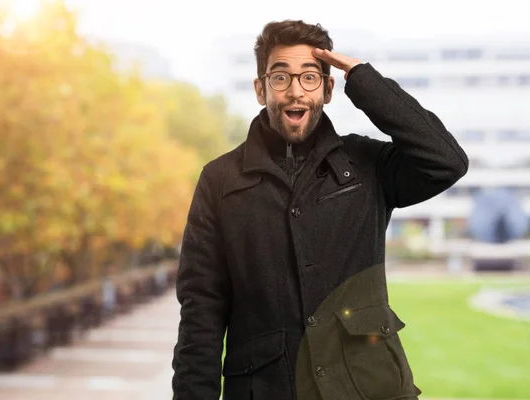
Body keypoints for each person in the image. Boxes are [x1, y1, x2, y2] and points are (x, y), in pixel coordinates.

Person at [171, 20, 468, 400]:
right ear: (261, 89)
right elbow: (201, 312)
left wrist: (361, 79)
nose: (295, 92)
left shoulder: (368, 165)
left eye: (309, 77)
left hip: (368, 387)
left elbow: (447, 161)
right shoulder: (220, 180)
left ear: (328, 89)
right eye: (281, 78)